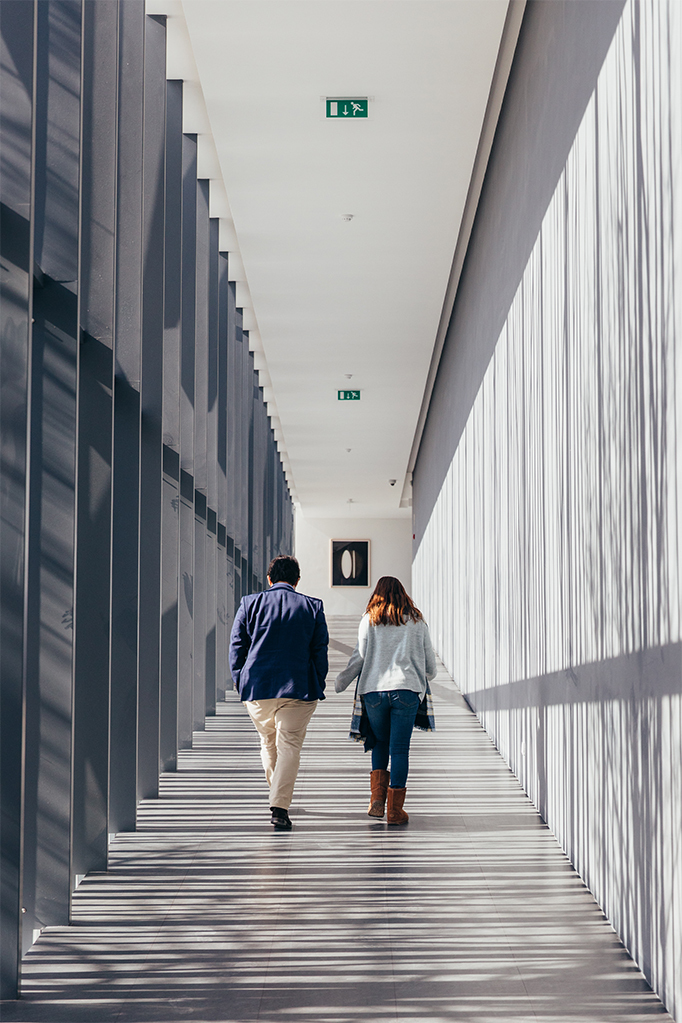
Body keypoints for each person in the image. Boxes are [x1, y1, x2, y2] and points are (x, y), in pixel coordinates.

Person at [229, 555, 329, 830]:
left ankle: (279, 798)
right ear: (297, 581)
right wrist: (318, 681)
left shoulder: (250, 604)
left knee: (268, 742)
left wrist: (239, 679)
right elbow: (320, 650)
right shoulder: (312, 607)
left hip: (258, 688)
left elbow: (237, 645)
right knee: (290, 745)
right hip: (298, 687)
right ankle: (279, 805)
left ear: (269, 579)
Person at [335, 576, 436, 825]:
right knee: (399, 749)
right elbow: (430, 667)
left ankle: (377, 801)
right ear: (403, 594)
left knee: (379, 741)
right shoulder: (417, 621)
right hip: (407, 691)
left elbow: (358, 658)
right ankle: (395, 811)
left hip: (374, 692)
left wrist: (341, 681)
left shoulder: (368, 619)